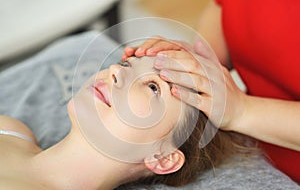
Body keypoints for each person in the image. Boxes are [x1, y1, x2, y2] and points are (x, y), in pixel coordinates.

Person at [122, 0, 300, 183]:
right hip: (253, 148)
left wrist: (242, 110)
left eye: (153, 88)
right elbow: (230, 5)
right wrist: (197, 63)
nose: (114, 73)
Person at [0, 55, 247, 189]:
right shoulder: (11, 130)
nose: (115, 70)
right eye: (127, 64)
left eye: (153, 87)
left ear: (162, 158)